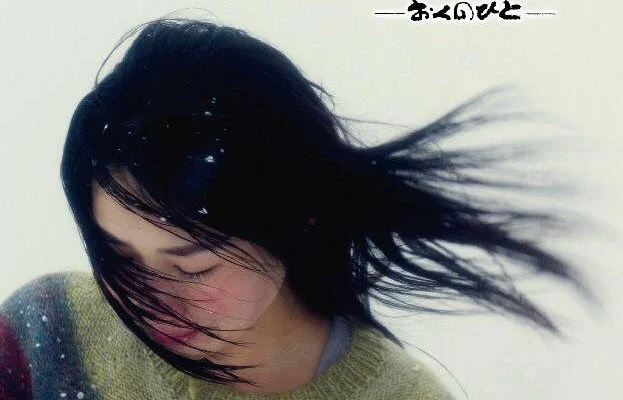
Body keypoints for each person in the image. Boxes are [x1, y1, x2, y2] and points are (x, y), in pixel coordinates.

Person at [0, 16, 595, 400]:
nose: (150, 298)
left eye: (193, 264)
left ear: (297, 214)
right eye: (120, 256)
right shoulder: (46, 331)